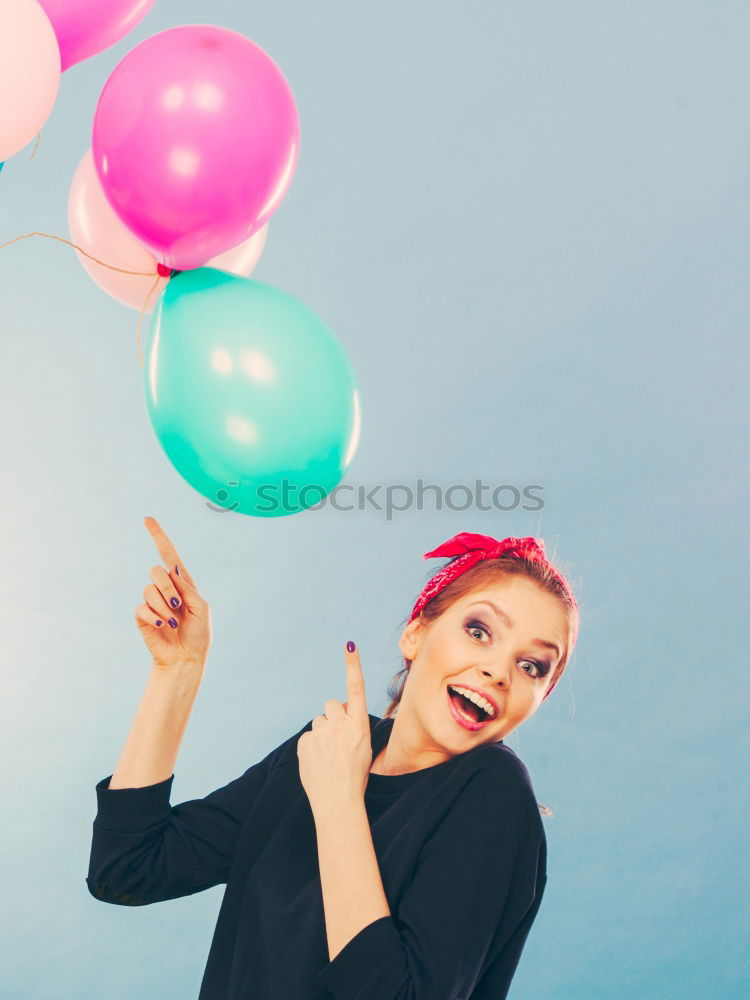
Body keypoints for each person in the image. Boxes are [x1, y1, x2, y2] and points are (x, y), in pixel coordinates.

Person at [86, 517, 580, 999]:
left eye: (532, 666)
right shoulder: (332, 746)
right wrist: (178, 671)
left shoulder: (493, 792)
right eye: (479, 631)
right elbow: (127, 868)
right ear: (415, 633)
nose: (499, 671)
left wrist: (340, 804)